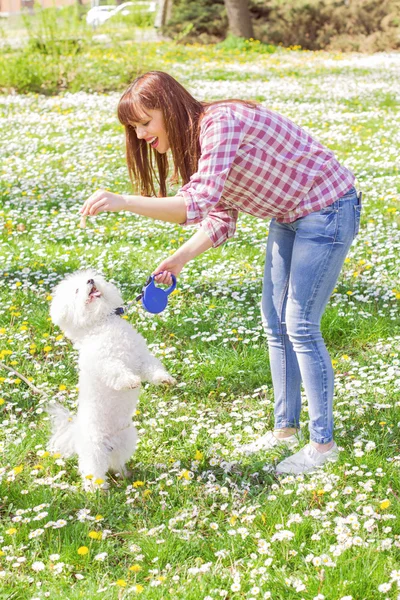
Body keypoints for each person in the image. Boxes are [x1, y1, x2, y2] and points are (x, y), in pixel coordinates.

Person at [80, 71, 362, 475]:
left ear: (170, 109)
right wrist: (179, 258)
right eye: (134, 128)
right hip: (290, 214)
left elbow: (194, 204)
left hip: (328, 206)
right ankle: (285, 431)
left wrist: (123, 200)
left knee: (300, 325)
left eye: (145, 122)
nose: (141, 135)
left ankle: (323, 445)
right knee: (275, 323)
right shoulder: (195, 146)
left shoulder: (220, 124)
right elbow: (219, 217)